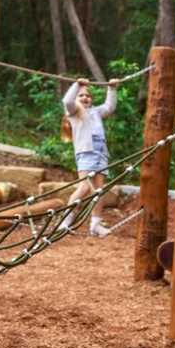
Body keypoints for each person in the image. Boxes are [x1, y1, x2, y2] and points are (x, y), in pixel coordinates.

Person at [58, 77, 120, 237]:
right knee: (84, 187)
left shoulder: (96, 112)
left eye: (88, 96)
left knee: (99, 190)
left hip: (100, 154)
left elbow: (110, 106)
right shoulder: (74, 112)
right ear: (76, 99)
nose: (85, 98)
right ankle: (65, 220)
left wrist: (112, 89)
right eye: (81, 95)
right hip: (86, 153)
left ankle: (96, 224)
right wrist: (77, 85)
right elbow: (67, 101)